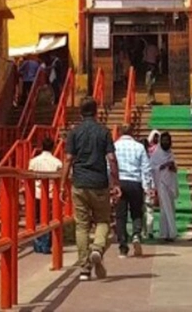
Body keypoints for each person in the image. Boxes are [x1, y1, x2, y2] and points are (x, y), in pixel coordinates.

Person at [63, 96, 119, 280]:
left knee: (82, 226)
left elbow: (68, 159)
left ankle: (84, 269)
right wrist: (116, 182)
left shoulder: (74, 133)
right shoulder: (103, 132)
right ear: (96, 112)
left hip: (79, 183)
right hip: (99, 183)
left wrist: (64, 182)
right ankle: (97, 247)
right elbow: (111, 158)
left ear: (80, 112)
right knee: (103, 221)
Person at [113, 124, 152, 258]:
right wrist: (147, 187)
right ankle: (136, 234)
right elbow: (146, 168)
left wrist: (110, 184)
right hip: (135, 182)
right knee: (136, 212)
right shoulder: (139, 147)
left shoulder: (114, 146)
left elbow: (109, 165)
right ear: (132, 132)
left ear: (119, 132)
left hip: (120, 182)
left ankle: (123, 247)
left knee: (120, 215)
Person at [28, 137, 63, 254]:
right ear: (53, 147)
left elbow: (29, 177)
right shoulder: (57, 162)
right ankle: (46, 244)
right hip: (52, 193)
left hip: (37, 194)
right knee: (50, 219)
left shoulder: (33, 161)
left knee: (37, 219)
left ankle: (38, 243)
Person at [149, 132, 179, 242]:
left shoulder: (171, 153)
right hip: (161, 183)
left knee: (169, 208)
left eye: (168, 140)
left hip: (170, 183)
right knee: (166, 208)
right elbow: (151, 167)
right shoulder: (156, 154)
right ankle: (171, 233)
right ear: (161, 141)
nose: (166, 142)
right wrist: (163, 166)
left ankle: (166, 233)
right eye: (164, 140)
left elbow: (175, 168)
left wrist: (172, 167)